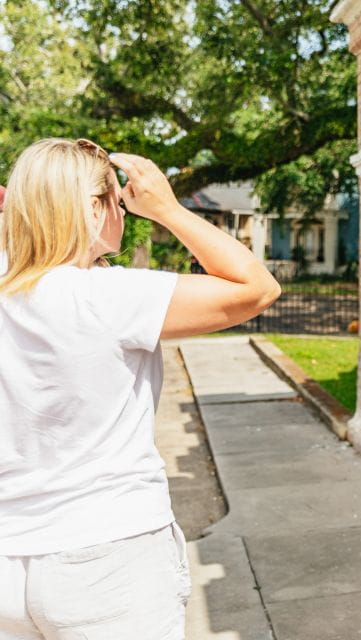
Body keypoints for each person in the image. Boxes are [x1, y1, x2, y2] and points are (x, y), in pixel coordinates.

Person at [0, 139, 280, 639]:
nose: (125, 209)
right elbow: (256, 288)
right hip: (106, 558)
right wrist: (168, 211)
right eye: (117, 199)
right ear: (91, 209)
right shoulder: (111, 297)